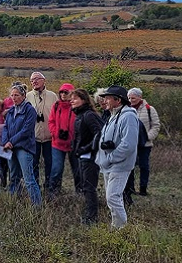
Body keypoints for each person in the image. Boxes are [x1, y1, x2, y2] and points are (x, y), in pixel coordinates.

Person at [95, 85, 139, 229]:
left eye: (107, 98)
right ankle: (116, 227)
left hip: (119, 164)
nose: (104, 101)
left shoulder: (129, 116)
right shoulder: (114, 115)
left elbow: (128, 144)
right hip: (109, 164)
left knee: (113, 197)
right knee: (112, 197)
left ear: (118, 100)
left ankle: (121, 230)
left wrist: (110, 158)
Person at [1, 83, 42, 206]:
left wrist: (11, 142)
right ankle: (14, 202)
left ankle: (37, 206)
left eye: (17, 95)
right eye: (12, 95)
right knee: (13, 177)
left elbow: (26, 130)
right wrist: (5, 142)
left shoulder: (30, 110)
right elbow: (5, 128)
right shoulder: (11, 111)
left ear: (23, 95)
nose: (14, 97)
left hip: (24, 147)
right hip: (10, 149)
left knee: (28, 179)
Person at [70, 89, 103, 225]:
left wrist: (86, 148)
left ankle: (92, 217)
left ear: (84, 100)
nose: (72, 101)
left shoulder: (89, 115)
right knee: (85, 186)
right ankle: (89, 213)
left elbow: (99, 134)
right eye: (71, 98)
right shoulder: (80, 115)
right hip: (82, 155)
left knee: (89, 187)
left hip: (90, 156)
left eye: (75, 98)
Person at [126, 87, 161, 196]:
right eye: (129, 98)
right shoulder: (126, 109)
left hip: (145, 145)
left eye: (133, 98)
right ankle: (130, 189)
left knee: (144, 167)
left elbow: (156, 125)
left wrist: (147, 137)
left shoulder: (149, 109)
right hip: (130, 144)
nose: (131, 100)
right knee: (129, 167)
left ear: (140, 97)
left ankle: (143, 189)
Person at [26, 71, 58, 190]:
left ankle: (49, 186)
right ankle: (35, 187)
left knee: (49, 163)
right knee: (34, 163)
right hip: (34, 137)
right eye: (32, 80)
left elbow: (57, 115)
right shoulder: (28, 96)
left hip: (49, 137)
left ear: (44, 80)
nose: (34, 81)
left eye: (37, 79)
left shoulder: (53, 96)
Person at [47, 83, 80, 195]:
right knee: (57, 169)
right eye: (61, 92)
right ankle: (54, 193)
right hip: (57, 143)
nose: (63, 94)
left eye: (66, 92)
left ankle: (80, 193)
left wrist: (75, 136)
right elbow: (51, 121)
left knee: (77, 170)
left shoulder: (76, 107)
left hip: (73, 144)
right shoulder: (56, 106)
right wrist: (55, 133)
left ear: (71, 94)